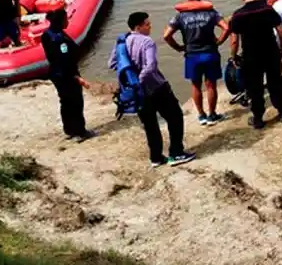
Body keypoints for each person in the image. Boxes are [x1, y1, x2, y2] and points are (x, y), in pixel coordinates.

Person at [108, 12, 196, 167]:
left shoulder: (122, 42)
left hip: (138, 94)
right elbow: (150, 66)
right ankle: (176, 153)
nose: (150, 27)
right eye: (147, 24)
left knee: (150, 125)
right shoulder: (147, 42)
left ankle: (156, 157)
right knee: (175, 117)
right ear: (138, 26)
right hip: (156, 87)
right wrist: (140, 80)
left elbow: (112, 64)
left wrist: (131, 79)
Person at [163, 0, 230, 126]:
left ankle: (201, 116)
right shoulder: (211, 12)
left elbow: (166, 35)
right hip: (210, 52)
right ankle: (212, 115)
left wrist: (178, 48)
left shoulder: (180, 16)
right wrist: (219, 41)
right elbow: (226, 28)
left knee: (195, 85)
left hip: (192, 54)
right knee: (211, 85)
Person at [229, 0, 282, 129]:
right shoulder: (267, 8)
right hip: (270, 52)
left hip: (251, 56)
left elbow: (234, 40)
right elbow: (281, 30)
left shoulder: (238, 14)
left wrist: (234, 56)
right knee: (275, 83)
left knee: (254, 88)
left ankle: (258, 119)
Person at [41, 9, 96, 143]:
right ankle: (79, 131)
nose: (68, 22)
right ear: (60, 21)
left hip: (55, 73)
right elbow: (65, 60)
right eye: (66, 19)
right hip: (65, 75)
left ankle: (69, 129)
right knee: (75, 102)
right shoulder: (60, 39)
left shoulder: (47, 34)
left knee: (65, 102)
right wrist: (76, 77)